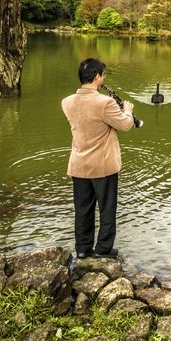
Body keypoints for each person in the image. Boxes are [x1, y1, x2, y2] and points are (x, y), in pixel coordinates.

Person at [61, 58, 135, 259]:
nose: (104, 78)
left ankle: (83, 249)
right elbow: (125, 125)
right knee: (107, 209)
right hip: (103, 166)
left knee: (83, 209)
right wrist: (127, 111)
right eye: (103, 75)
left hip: (79, 165)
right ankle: (103, 249)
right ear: (96, 77)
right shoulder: (105, 102)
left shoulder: (66, 102)